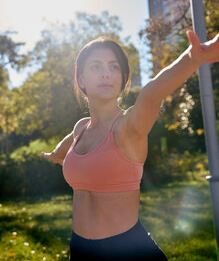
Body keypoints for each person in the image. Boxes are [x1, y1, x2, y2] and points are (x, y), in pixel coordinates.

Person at [42, 30, 219, 260]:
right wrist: (56, 154)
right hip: (80, 248)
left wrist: (193, 58)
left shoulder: (128, 127)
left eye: (113, 67)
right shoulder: (81, 128)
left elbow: (153, 93)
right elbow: (69, 141)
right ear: (81, 80)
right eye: (96, 66)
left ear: (123, 79)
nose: (106, 73)